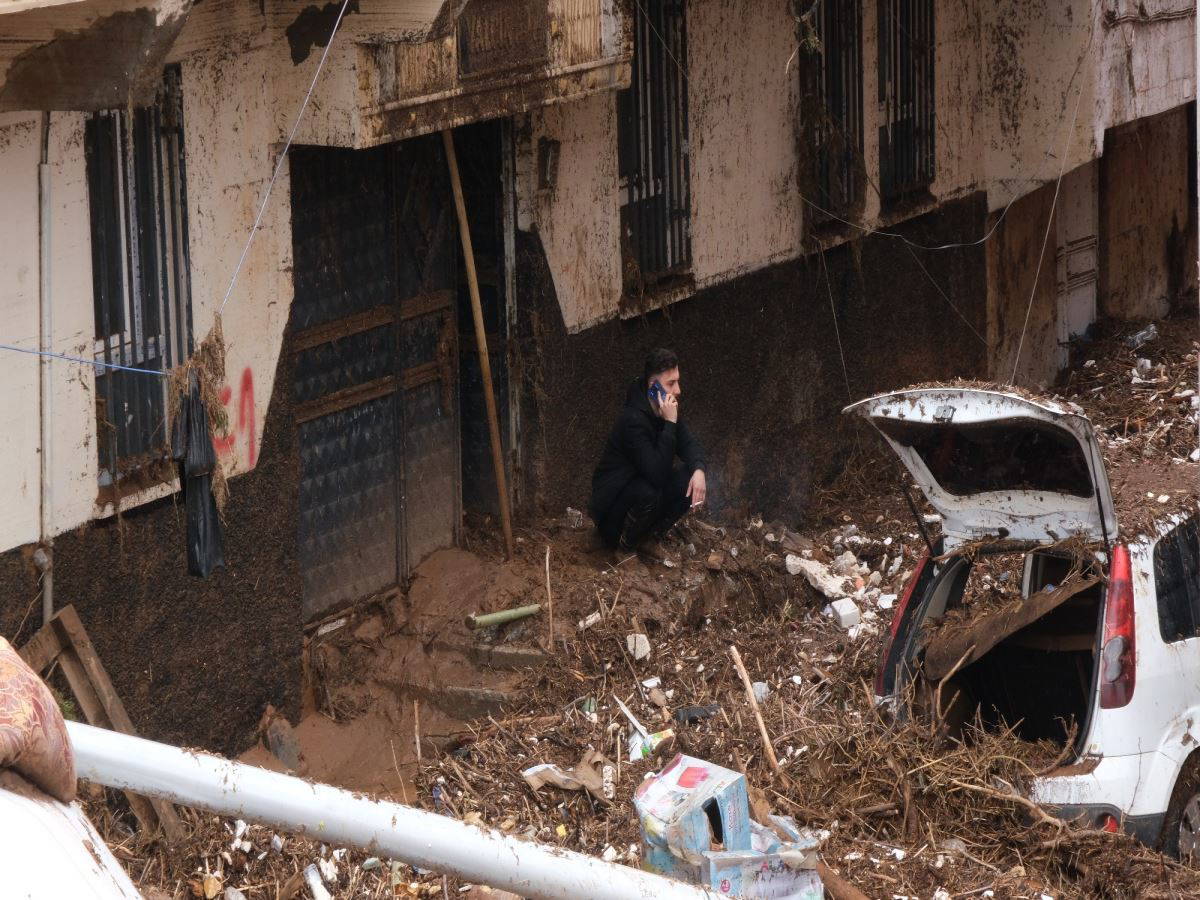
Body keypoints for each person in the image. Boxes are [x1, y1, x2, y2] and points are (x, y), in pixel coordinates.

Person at [589, 348, 707, 553]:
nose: (678, 390)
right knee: (649, 490)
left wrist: (699, 470)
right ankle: (624, 550)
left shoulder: (666, 408)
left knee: (689, 478)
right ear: (653, 387)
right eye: (671, 383)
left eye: (677, 381)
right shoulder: (632, 420)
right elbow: (657, 475)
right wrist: (670, 423)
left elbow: (690, 444)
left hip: (639, 499)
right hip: (611, 513)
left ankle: (650, 539)